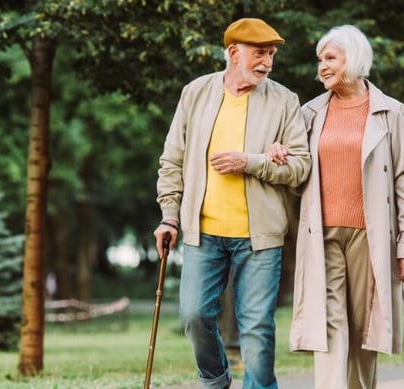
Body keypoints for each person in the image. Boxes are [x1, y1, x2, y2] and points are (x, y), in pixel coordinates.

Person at [267, 25, 404, 389]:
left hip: (370, 236)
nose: (321, 67)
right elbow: (297, 172)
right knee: (328, 324)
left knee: (363, 327)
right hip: (321, 233)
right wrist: (279, 155)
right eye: (319, 60)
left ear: (353, 60)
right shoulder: (308, 113)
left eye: (330, 59)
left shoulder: (391, 112)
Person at [153, 18, 311, 389]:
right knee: (194, 315)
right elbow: (171, 160)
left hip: (259, 238)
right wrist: (169, 218)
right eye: (259, 53)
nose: (267, 62)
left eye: (271, 54)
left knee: (256, 326)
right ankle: (215, 381)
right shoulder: (196, 93)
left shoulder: (284, 100)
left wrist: (251, 162)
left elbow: (301, 167)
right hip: (201, 232)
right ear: (233, 53)